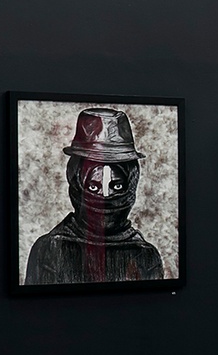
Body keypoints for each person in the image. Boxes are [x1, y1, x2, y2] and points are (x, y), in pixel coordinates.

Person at [25, 108, 165, 286]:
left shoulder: (145, 254)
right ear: (76, 182)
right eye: (93, 186)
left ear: (132, 182)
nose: (105, 197)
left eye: (117, 186)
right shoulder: (50, 249)